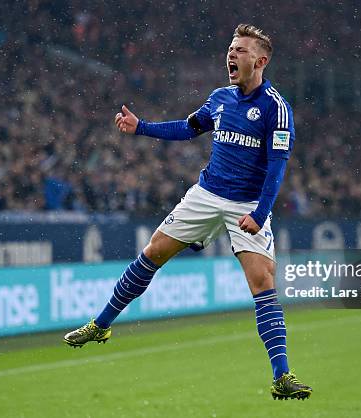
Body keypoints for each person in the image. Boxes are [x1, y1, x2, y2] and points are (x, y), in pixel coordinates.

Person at [64, 24, 312, 401]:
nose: (232, 54)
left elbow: (278, 165)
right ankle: (100, 325)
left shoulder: (276, 109)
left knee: (262, 284)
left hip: (246, 204)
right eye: (230, 48)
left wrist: (261, 212)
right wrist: (141, 127)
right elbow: (188, 128)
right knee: (152, 253)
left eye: (241, 50)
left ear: (260, 61)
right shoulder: (220, 98)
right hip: (207, 194)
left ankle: (282, 376)